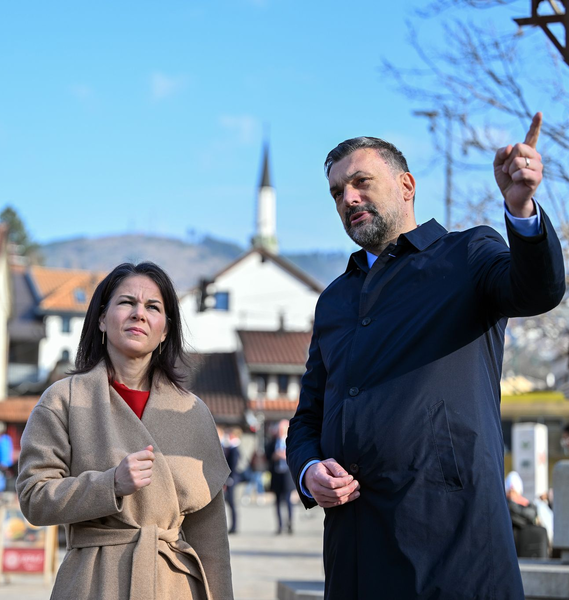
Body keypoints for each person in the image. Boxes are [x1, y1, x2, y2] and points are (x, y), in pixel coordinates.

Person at [286, 113, 565, 599]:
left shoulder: (467, 255)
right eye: (336, 192)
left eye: (361, 182)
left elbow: (538, 289)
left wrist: (521, 209)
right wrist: (310, 472)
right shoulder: (334, 300)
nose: (348, 198)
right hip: (355, 551)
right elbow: (307, 417)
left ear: (407, 186)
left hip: (454, 548)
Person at [17, 262, 233, 600]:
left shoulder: (193, 413)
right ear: (102, 318)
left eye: (153, 307)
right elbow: (34, 497)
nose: (139, 314)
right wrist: (110, 485)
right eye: (126, 302)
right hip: (92, 582)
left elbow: (211, 537)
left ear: (165, 330)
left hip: (173, 585)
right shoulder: (63, 399)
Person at [265, 420, 294, 534]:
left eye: (282, 429)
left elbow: (296, 457)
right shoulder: (272, 442)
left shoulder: (291, 441)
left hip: (287, 476)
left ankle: (290, 524)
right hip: (276, 475)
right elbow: (267, 456)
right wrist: (274, 456)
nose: (280, 431)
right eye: (279, 429)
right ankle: (279, 526)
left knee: (288, 500)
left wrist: (285, 455)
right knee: (277, 501)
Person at [223, 427, 242, 534]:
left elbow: (233, 465)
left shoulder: (235, 448)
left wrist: (229, 478)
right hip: (232, 478)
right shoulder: (232, 447)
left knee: (232, 503)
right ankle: (233, 526)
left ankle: (234, 526)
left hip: (232, 479)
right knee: (230, 503)